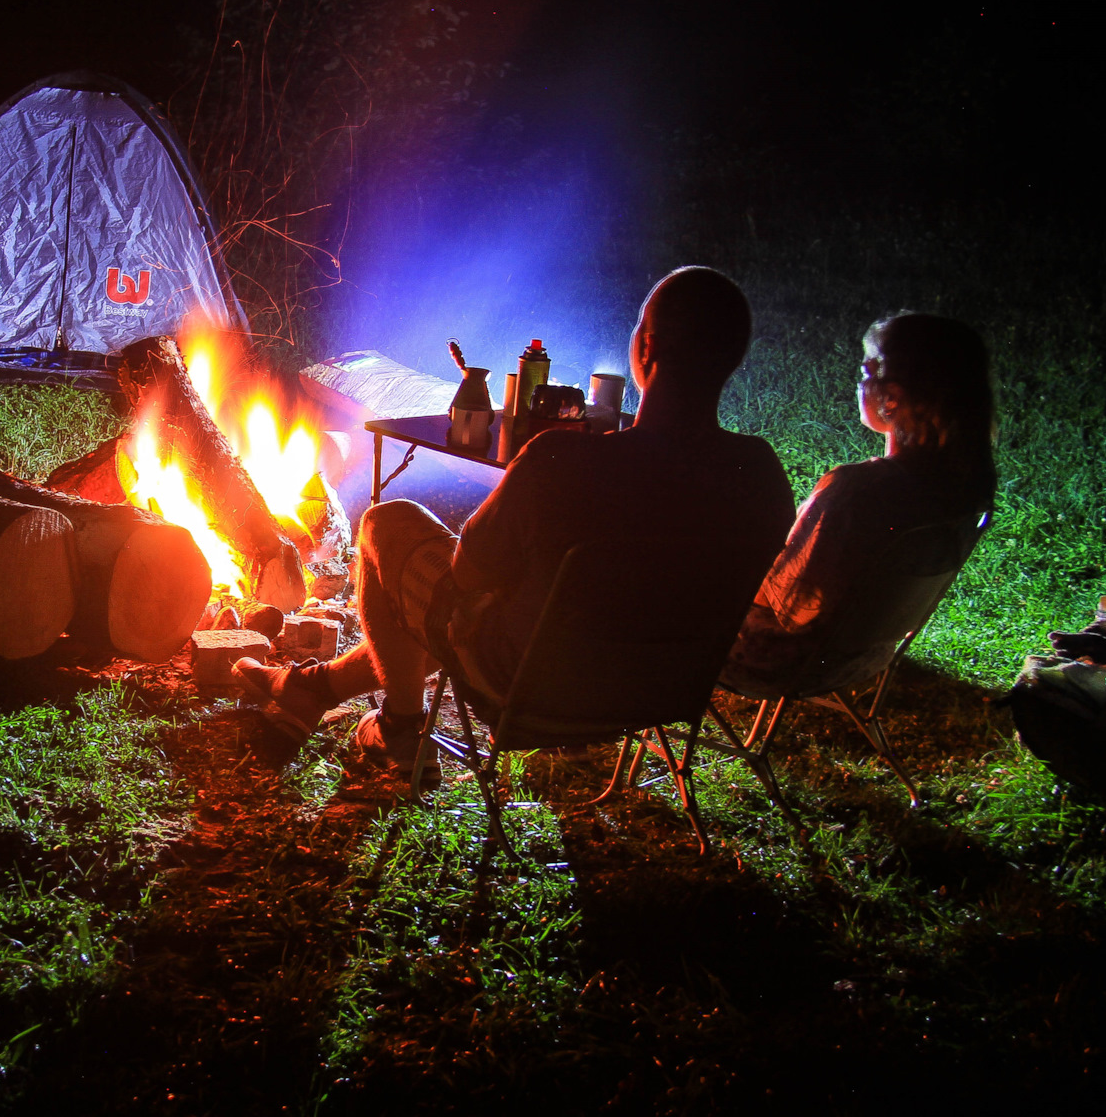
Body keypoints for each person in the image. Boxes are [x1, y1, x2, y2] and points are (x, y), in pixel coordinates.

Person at [236, 266, 797, 772]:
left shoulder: (562, 459)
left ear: (645, 350)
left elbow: (470, 577)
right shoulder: (763, 477)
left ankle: (402, 728)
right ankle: (313, 687)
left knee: (387, 525)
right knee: (502, 595)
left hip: (526, 684)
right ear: (731, 360)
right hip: (659, 696)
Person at [720, 312, 997, 696]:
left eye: (868, 371)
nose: (859, 380)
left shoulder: (856, 492)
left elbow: (787, 606)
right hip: (865, 658)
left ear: (893, 398)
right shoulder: (968, 489)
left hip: (772, 660)